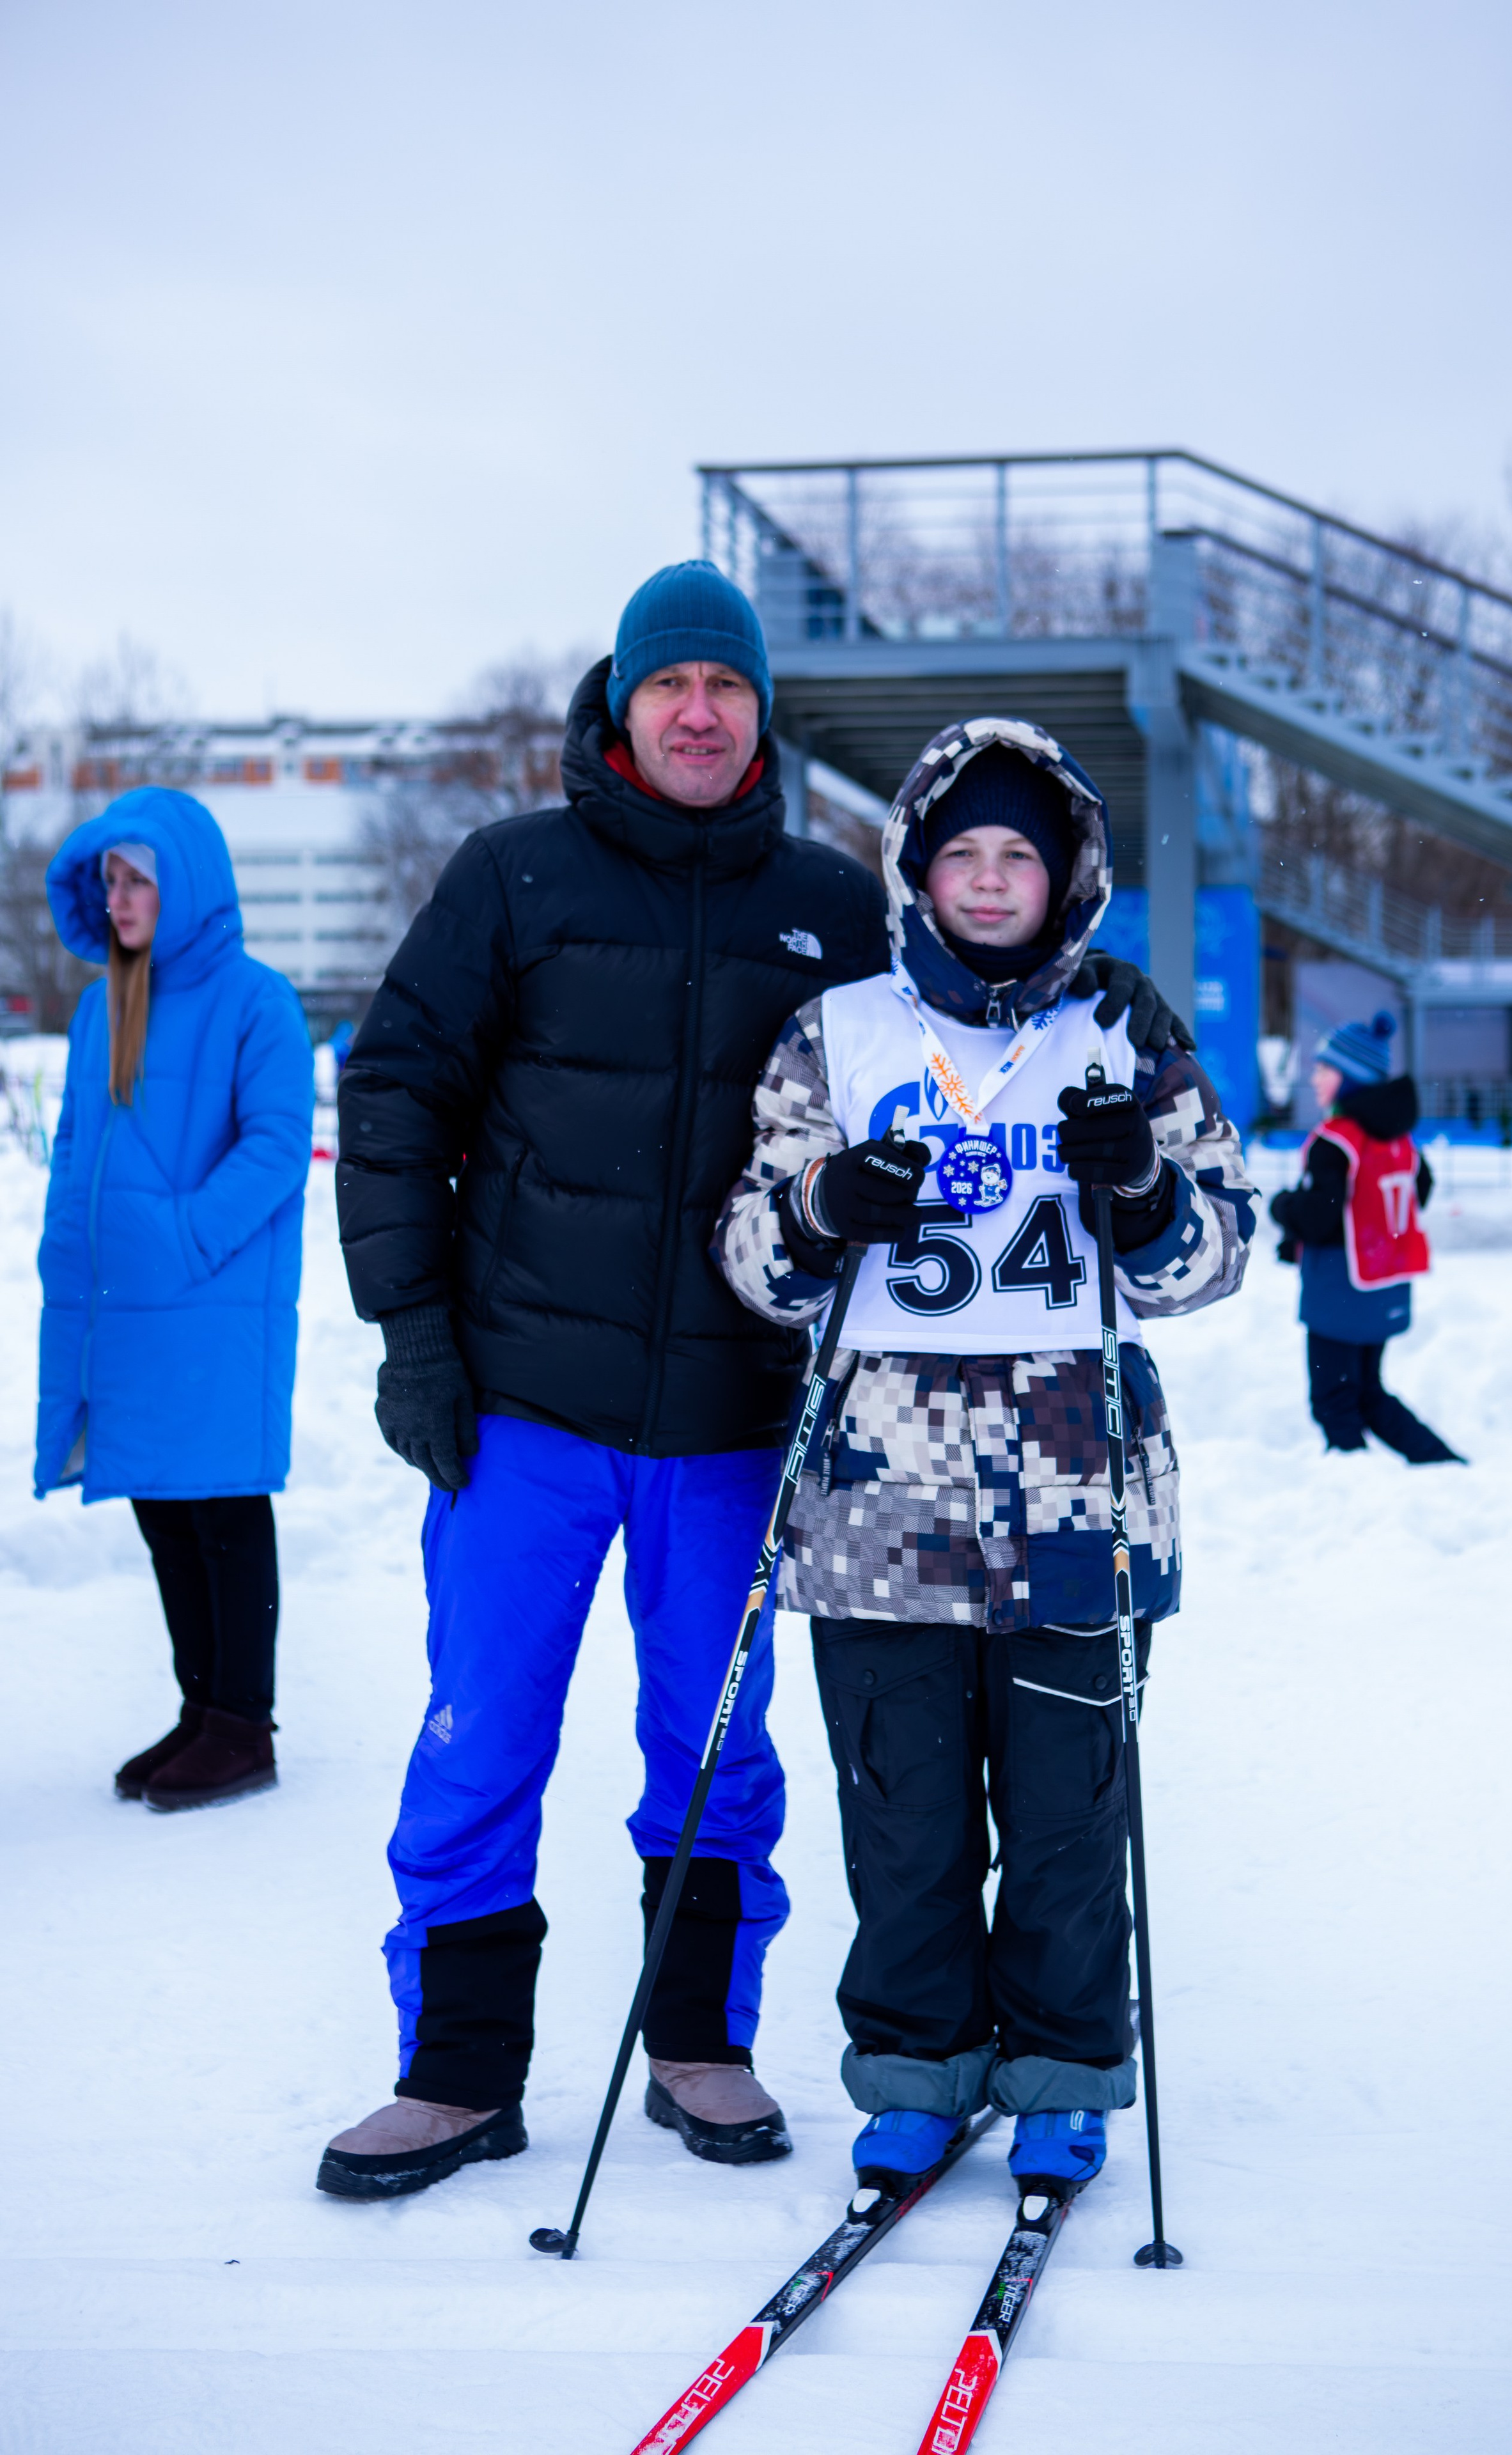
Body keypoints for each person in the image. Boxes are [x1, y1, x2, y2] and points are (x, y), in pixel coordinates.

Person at [322, 568, 1187, 2203]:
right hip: (523, 1404)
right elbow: (393, 1101)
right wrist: (412, 1334)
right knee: (477, 1729)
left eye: (726, 683)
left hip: (734, 1421)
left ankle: (696, 2040)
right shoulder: (510, 876)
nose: (699, 710)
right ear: (623, 703)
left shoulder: (827, 907)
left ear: (759, 711)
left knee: (711, 1744)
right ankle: (452, 2070)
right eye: (671, 686)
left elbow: (931, 1082)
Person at [713, 716, 1254, 2201]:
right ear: (918, 869)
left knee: (1070, 1814)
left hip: (1075, 1487)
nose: (994, 876)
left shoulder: (1121, 1025)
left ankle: (1065, 2076)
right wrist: (826, 1202)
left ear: (1064, 867)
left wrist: (1142, 1193)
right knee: (904, 1819)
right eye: (965, 849)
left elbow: (1219, 1251)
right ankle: (913, 2073)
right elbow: (752, 1255)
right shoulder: (840, 1031)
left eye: (1020, 850)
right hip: (882, 1502)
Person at [34, 788, 315, 1808]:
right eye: (107, 878)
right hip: (128, 1307)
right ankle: (203, 1710)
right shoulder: (100, 1002)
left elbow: (280, 1148)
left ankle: (246, 1723)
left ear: (184, 882)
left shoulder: (258, 1001)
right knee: (162, 1501)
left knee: (223, 1506)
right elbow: (76, 1141)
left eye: (136, 877)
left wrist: (186, 1236)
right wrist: (70, 1237)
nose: (117, 897)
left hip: (214, 1302)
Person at [1269, 1012, 1463, 1463]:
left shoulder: (1336, 1141)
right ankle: (1444, 1466)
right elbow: (1421, 1189)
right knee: (1369, 1394)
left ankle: (1352, 1484)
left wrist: (1283, 1208)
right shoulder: (1398, 1139)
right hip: (1383, 1286)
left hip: (1338, 1293)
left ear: (1350, 1078)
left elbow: (1321, 1216)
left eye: (1324, 1069)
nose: (1314, 1077)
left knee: (1334, 1403)